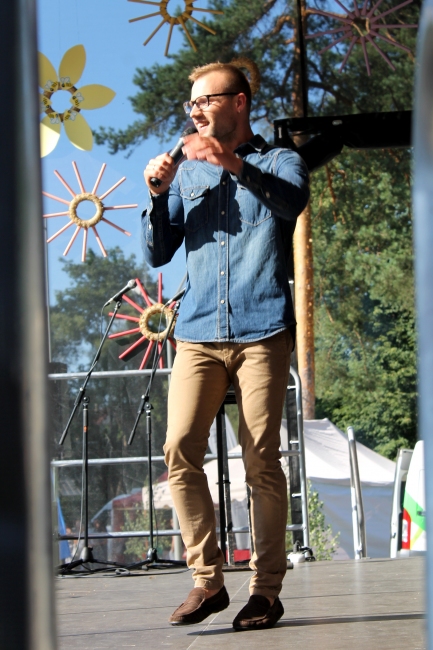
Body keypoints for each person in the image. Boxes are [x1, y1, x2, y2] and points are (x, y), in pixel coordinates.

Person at [141, 59, 309, 631]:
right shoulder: (187, 172)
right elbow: (159, 251)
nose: (196, 111)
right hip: (197, 332)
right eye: (191, 103)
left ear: (239, 103)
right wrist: (158, 194)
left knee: (261, 459)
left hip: (263, 329)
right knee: (179, 449)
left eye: (206, 100)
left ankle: (265, 590)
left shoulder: (279, 159)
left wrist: (232, 164)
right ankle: (207, 581)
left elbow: (291, 202)